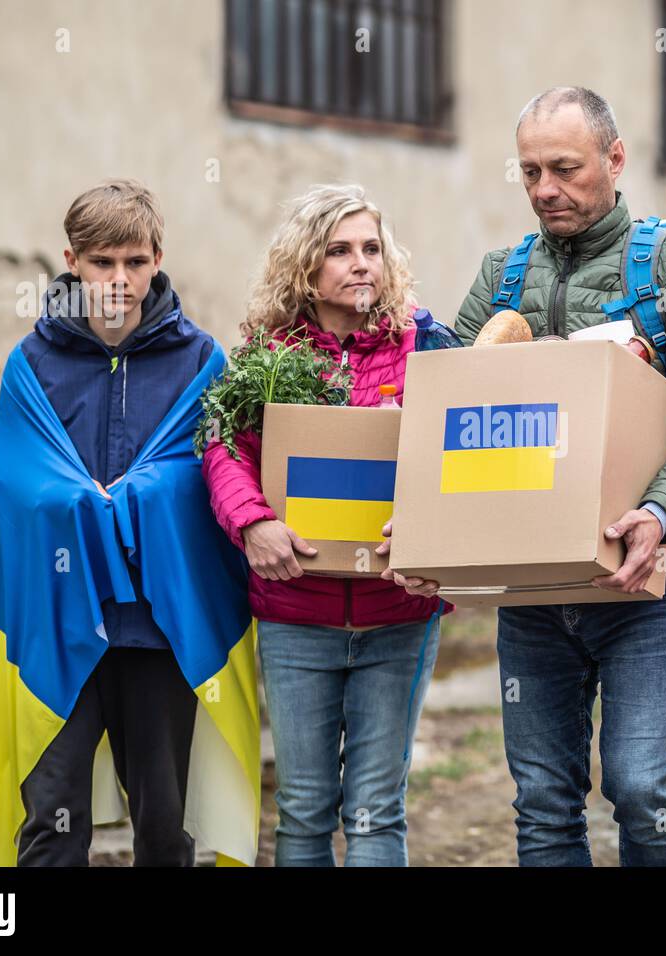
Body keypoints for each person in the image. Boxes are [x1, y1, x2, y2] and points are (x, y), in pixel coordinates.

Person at [449, 87, 666, 866]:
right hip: (534, 583)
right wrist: (426, 533)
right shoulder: (501, 277)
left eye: (564, 168)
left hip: (648, 574)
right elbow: (445, 418)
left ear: (615, 160)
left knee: (641, 782)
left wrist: (657, 514)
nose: (545, 189)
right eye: (529, 172)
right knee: (544, 797)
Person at [0, 178, 260, 867]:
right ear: (72, 261)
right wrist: (73, 496)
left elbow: (216, 467)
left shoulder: (200, 362)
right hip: (56, 623)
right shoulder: (33, 363)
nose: (120, 279)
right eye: (103, 262)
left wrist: (144, 490)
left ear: (157, 259)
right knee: (52, 820)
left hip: (158, 625)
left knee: (166, 824)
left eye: (135, 262)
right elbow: (5, 479)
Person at [202, 184, 451, 867]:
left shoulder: (426, 345)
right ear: (306, 265)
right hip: (295, 616)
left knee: (375, 809)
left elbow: (463, 456)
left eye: (372, 248)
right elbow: (224, 447)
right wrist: (252, 524)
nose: (361, 263)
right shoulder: (268, 353)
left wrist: (429, 522)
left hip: (398, 610)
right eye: (339, 251)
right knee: (304, 809)